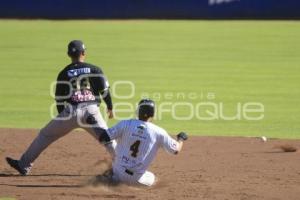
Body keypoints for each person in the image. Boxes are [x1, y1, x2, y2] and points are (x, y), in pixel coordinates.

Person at [6, 40, 115, 175]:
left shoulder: (64, 73)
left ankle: (23, 165)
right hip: (91, 112)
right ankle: (125, 168)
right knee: (108, 139)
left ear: (68, 54)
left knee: (45, 135)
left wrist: (63, 118)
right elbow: (104, 91)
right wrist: (110, 106)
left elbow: (59, 99)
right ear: (84, 53)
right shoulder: (94, 69)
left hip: (71, 112)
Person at [96, 99, 188, 186]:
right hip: (137, 180)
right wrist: (181, 138)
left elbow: (104, 137)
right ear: (152, 114)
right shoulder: (159, 132)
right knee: (154, 179)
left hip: (118, 173)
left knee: (113, 166)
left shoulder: (125, 124)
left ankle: (109, 179)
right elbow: (176, 150)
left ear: (138, 111)